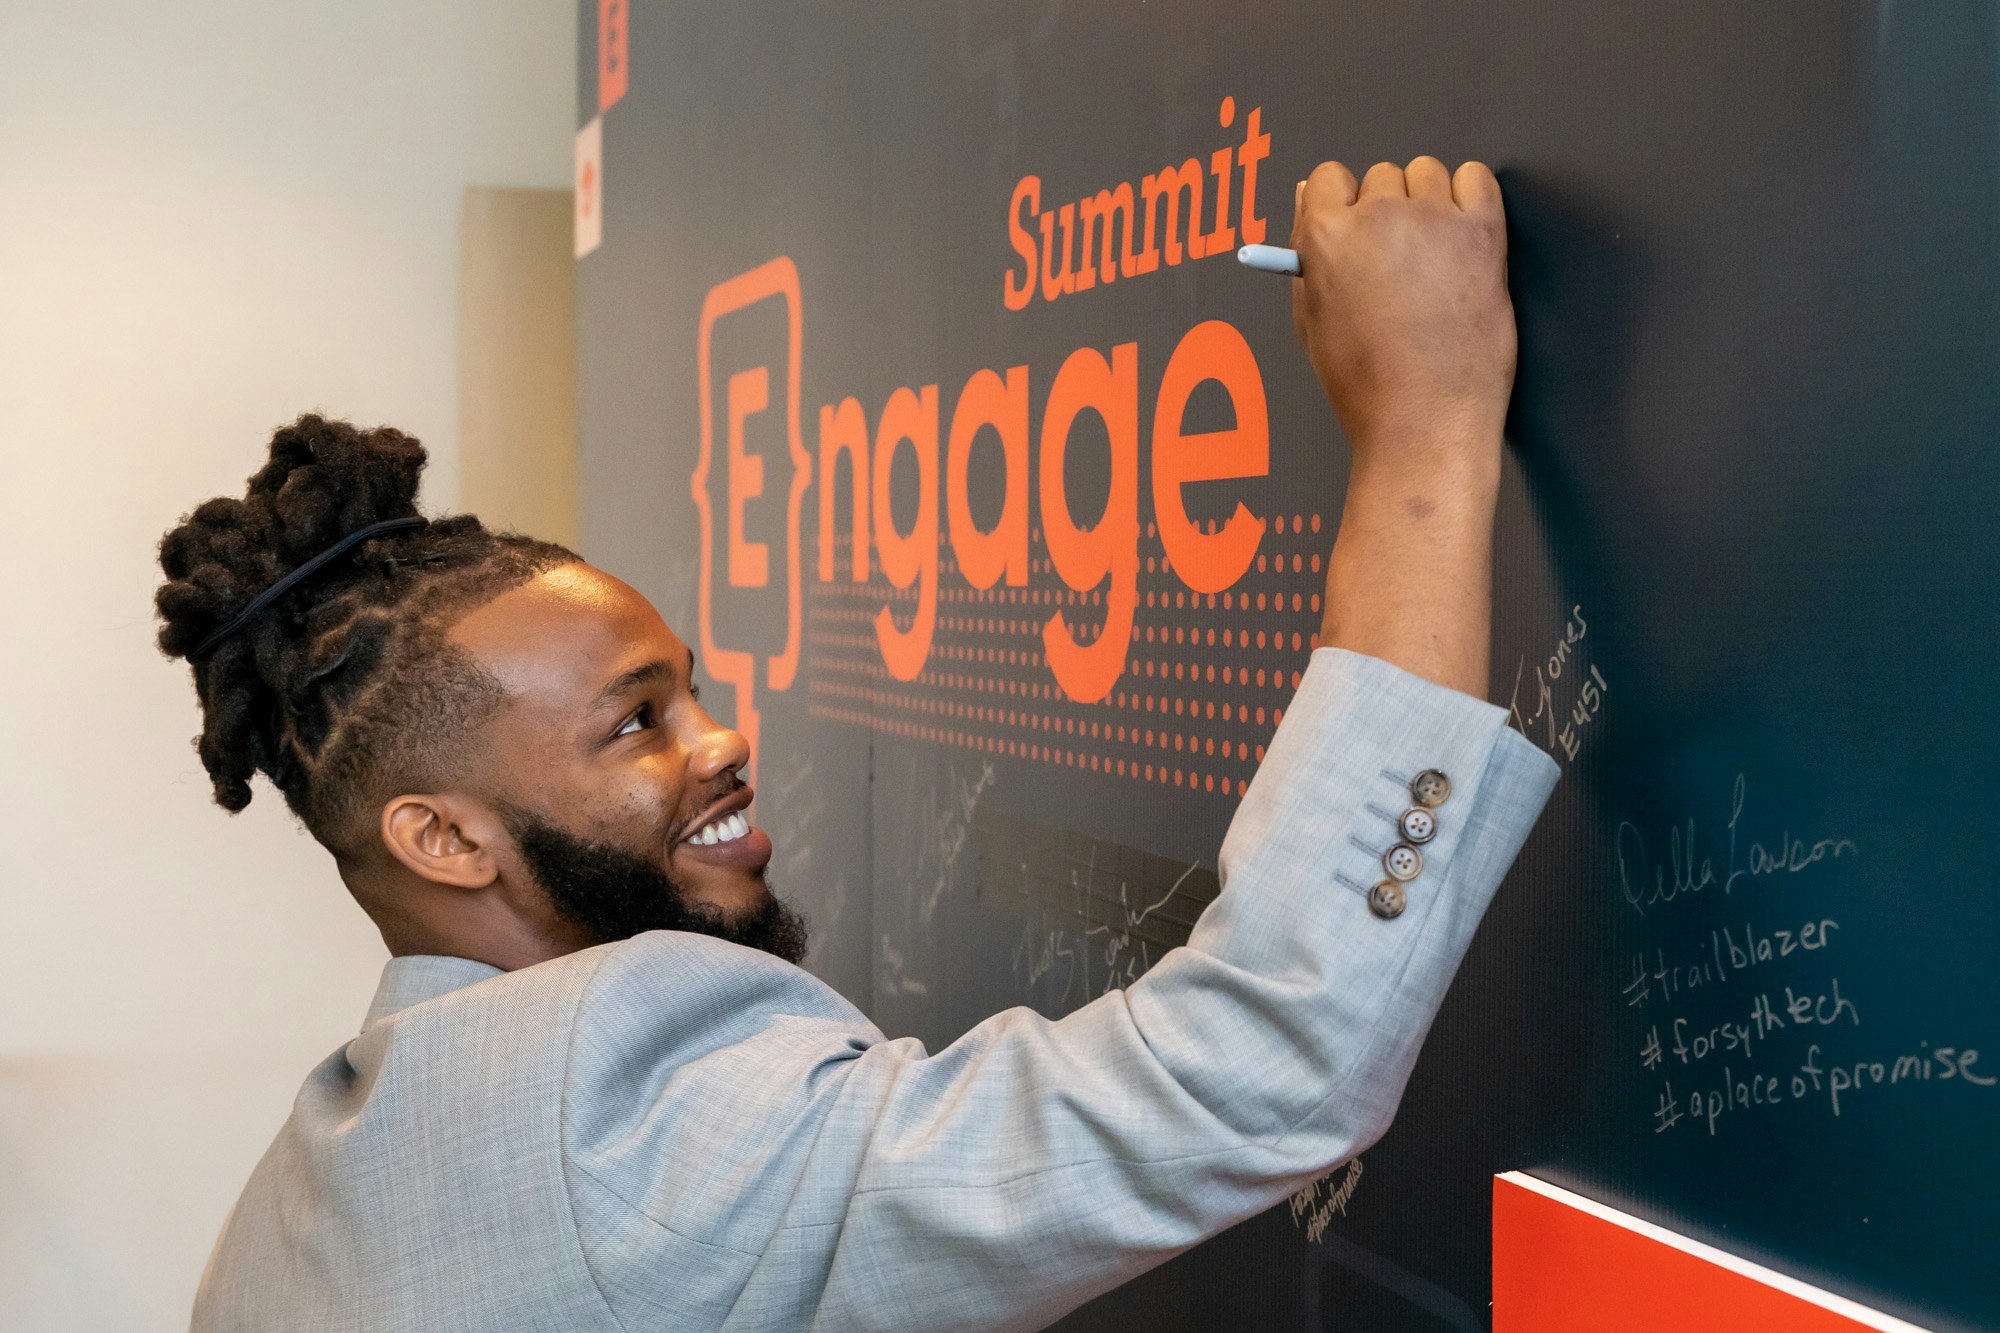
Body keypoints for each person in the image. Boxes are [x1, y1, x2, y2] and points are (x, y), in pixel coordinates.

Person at [166, 157, 1556, 1332]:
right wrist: (1425, 423)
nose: (724, 739)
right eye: (635, 721)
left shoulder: (297, 1200)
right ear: (443, 836)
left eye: (691, 692)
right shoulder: (609, 1111)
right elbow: (1259, 1064)